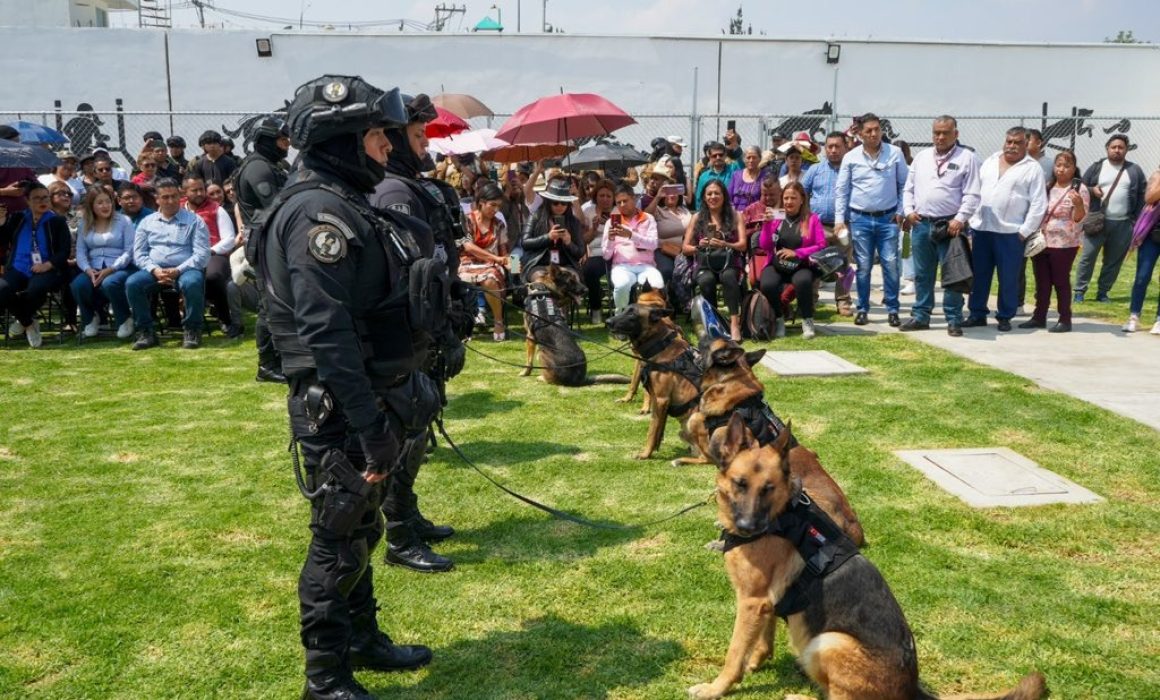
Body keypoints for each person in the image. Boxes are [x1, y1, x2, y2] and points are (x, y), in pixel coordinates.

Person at [256, 75, 432, 700]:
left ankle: (362, 642)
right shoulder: (317, 213)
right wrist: (369, 425)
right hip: (339, 409)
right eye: (377, 134)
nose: (387, 145)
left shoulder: (340, 200)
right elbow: (325, 331)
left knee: (361, 529)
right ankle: (325, 678)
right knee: (337, 539)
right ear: (344, 141)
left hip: (365, 398)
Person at [369, 92, 468, 575]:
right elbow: (412, 279)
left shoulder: (409, 184)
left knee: (418, 428)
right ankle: (400, 533)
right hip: (415, 336)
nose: (424, 142)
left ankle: (407, 513)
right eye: (416, 134)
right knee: (407, 435)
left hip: (429, 329)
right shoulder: (395, 192)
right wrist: (441, 331)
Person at [899, 116, 982, 336]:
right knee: (922, 273)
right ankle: (921, 315)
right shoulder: (922, 157)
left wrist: (960, 218)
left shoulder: (967, 158)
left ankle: (954, 319)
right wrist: (908, 211)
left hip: (950, 226)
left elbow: (972, 193)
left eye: (946, 132)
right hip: (922, 224)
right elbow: (908, 188)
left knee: (953, 274)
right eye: (937, 132)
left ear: (956, 134)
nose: (941, 137)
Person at [964, 127, 1047, 332]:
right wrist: (973, 221)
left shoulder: (1032, 168)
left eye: (1017, 142)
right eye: (1009, 141)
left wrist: (1024, 231)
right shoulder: (991, 161)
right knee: (980, 275)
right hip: (983, 229)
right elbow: (975, 191)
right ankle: (977, 313)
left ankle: (1005, 316)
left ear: (1026, 144)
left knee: (1008, 277)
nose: (1011, 146)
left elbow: (1039, 204)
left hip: (1011, 233)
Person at [834, 113, 909, 327]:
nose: (874, 134)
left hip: (888, 219)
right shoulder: (851, 157)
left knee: (891, 264)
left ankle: (893, 309)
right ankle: (863, 309)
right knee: (864, 266)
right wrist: (840, 219)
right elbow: (842, 190)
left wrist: (902, 210)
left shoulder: (894, 154)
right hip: (860, 219)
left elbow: (905, 184)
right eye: (869, 130)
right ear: (859, 133)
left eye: (877, 129)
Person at [233, 116, 290, 383]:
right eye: (281, 139)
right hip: (265, 241)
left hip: (273, 239)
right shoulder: (258, 168)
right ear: (267, 140)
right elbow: (274, 204)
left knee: (280, 302)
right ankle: (267, 365)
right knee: (270, 305)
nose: (286, 144)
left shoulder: (272, 165)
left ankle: (282, 358)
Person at [124, 177, 210, 350]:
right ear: (157, 199)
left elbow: (202, 254)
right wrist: (154, 270)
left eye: (173, 196)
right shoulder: (147, 223)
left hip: (186, 269)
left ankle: (192, 330)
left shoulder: (195, 221)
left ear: (180, 196)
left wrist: (178, 270)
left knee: (193, 282)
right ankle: (146, 332)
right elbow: (139, 254)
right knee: (133, 283)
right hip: (154, 270)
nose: (170, 201)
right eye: (165, 197)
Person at [1020, 151, 1089, 333]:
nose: (1061, 169)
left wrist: (1079, 205)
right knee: (1042, 281)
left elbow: (1079, 219)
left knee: (1060, 280)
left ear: (1074, 168)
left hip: (1065, 243)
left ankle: (1065, 319)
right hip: (1042, 241)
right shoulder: (1048, 186)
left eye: (1067, 166)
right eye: (1058, 165)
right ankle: (1039, 316)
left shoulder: (1079, 189)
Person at [1074, 134, 1147, 303]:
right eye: (1113, 147)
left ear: (1126, 150)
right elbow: (1081, 187)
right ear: (1107, 148)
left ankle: (1103, 292)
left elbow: (1142, 196)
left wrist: (1135, 221)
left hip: (1123, 224)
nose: (1117, 150)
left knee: (1113, 261)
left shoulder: (1134, 170)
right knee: (1088, 257)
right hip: (1096, 221)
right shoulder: (1097, 167)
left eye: (1121, 147)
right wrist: (1092, 190)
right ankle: (1079, 291)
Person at [0, 182, 70, 348]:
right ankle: (28, 323)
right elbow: (2, 241)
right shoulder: (18, 218)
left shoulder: (57, 221)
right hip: (18, 267)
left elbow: (64, 251)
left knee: (36, 290)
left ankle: (22, 319)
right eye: (36, 198)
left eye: (45, 197)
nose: (42, 201)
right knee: (1, 289)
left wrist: (48, 265)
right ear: (28, 201)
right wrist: (1, 223)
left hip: (46, 269)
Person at [756, 181, 827, 339]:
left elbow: (821, 245)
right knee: (767, 284)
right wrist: (767, 226)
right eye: (786, 198)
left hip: (802, 265)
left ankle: (807, 320)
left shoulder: (811, 219)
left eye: (793, 198)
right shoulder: (776, 216)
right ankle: (779, 318)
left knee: (802, 281)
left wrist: (798, 253)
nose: (789, 202)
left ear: (802, 199)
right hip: (777, 264)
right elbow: (765, 245)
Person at [681, 179, 746, 340]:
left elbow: (743, 245)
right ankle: (714, 322)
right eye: (709, 194)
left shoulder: (735, 215)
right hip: (705, 263)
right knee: (706, 281)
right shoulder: (697, 217)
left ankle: (734, 323)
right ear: (704, 197)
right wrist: (699, 246)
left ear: (724, 196)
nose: (713, 197)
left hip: (728, 262)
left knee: (729, 277)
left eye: (717, 193)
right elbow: (685, 248)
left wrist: (725, 243)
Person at [70, 188, 137, 339]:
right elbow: (80, 251)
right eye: (100, 202)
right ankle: (90, 318)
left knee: (110, 283)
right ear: (91, 205)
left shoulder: (124, 221)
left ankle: (124, 319)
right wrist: (87, 270)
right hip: (93, 267)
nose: (105, 206)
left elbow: (129, 250)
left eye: (108, 202)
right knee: (78, 285)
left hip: (120, 266)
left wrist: (112, 269)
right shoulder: (85, 224)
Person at [801, 131, 853, 316]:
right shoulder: (815, 170)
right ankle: (812, 300)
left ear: (845, 148)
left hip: (843, 226)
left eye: (837, 146)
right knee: (815, 262)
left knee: (843, 264)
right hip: (819, 226)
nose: (833, 150)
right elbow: (802, 192)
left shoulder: (851, 169)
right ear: (824, 149)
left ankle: (843, 301)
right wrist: (806, 217)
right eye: (829, 146)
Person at [182, 175, 240, 337]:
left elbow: (229, 239)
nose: (200, 193)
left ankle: (225, 319)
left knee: (213, 276)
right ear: (185, 192)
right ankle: (181, 320)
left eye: (202, 189)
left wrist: (210, 251)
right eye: (195, 190)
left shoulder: (217, 209)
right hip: (184, 255)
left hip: (213, 252)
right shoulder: (178, 210)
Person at [460, 182, 509, 341]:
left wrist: (514, 267)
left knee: (490, 278)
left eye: (499, 206)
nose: (496, 210)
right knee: (485, 274)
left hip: (492, 266)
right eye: (492, 205)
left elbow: (504, 252)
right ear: (481, 202)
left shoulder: (499, 224)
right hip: (467, 263)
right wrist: (496, 259)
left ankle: (498, 321)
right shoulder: (466, 220)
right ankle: (465, 323)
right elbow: (468, 246)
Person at [604, 183, 662, 314]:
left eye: (625, 201)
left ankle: (651, 319)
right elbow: (606, 256)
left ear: (634, 199)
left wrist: (631, 235)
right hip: (622, 266)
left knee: (656, 282)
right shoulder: (611, 222)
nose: (622, 205)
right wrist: (610, 239)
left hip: (646, 265)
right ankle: (620, 316)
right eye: (618, 202)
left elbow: (653, 244)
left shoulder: (648, 219)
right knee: (621, 285)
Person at [521, 177, 586, 282]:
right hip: (539, 263)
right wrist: (548, 237)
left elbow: (580, 253)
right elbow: (525, 242)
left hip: (566, 264)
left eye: (564, 203)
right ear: (548, 202)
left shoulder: (574, 222)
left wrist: (569, 242)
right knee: (542, 283)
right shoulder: (536, 217)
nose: (560, 206)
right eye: (555, 202)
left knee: (571, 283)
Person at [1123, 167, 1160, 334]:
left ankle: (1159, 320)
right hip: (1152, 235)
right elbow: (1149, 197)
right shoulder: (1157, 174)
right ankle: (1134, 316)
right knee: (1142, 277)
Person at [643, 159, 690, 288]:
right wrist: (658, 197)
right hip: (662, 250)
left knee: (691, 271)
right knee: (667, 271)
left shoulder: (684, 211)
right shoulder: (658, 210)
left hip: (684, 251)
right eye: (668, 192)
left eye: (675, 192)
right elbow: (646, 217)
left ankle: (683, 304)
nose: (672, 195)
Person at [580, 178, 615, 322]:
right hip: (595, 251)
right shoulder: (587, 210)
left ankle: (619, 309)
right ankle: (596, 308)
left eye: (608, 196)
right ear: (596, 196)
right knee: (590, 270)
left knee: (624, 271)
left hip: (616, 251)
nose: (605, 199)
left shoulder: (619, 210)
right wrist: (594, 229)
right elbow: (584, 239)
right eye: (602, 196)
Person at [693, 141, 739, 210]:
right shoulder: (704, 176)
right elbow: (699, 200)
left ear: (725, 155)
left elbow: (742, 162)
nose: (718, 157)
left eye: (720, 155)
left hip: (730, 213)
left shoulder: (734, 170)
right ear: (710, 157)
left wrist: (735, 144)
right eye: (714, 156)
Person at [727, 146, 766, 211]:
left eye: (754, 157)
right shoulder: (736, 175)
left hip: (756, 217)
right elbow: (728, 197)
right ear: (744, 159)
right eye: (748, 158)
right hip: (736, 215)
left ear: (760, 159)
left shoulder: (764, 176)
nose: (751, 160)